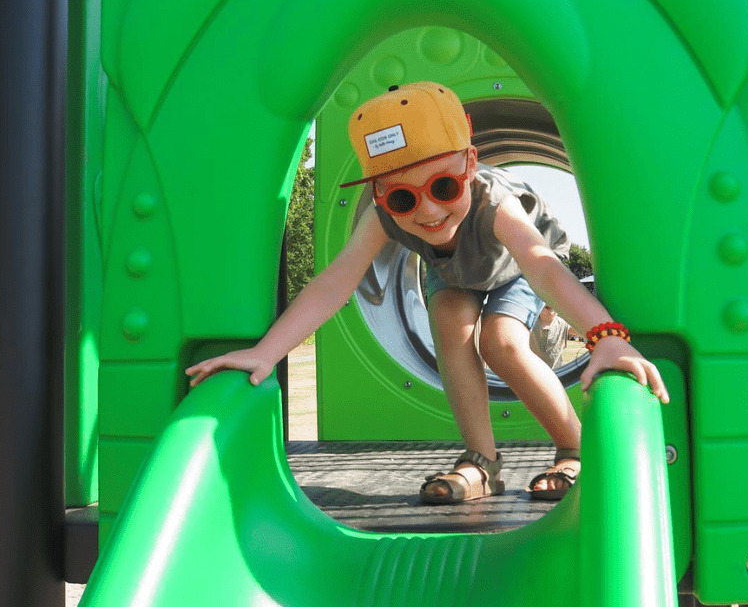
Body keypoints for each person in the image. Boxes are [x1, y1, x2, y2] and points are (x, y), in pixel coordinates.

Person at [186, 81, 669, 503]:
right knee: (449, 327)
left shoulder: (497, 204)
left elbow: (543, 269)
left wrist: (605, 335)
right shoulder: (382, 219)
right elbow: (336, 281)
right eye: (400, 197)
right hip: (454, 271)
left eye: (443, 185)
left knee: (500, 341)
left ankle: (572, 448)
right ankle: (482, 461)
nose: (428, 212)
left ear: (470, 162)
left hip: (513, 267)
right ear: (378, 195)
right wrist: (266, 352)